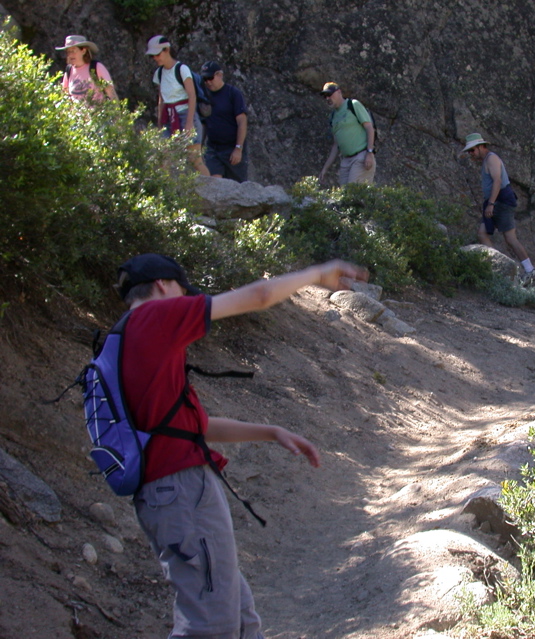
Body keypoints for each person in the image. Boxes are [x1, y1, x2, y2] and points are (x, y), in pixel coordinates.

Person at [115, 253, 366, 638]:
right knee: (211, 626)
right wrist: (315, 273)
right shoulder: (153, 319)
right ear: (164, 285)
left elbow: (191, 427)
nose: (186, 300)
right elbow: (260, 295)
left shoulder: (127, 341)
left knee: (239, 616)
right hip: (181, 493)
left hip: (166, 496)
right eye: (184, 292)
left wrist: (270, 431)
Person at [461, 133, 535, 280]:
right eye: (469, 151)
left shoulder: (492, 158)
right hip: (494, 200)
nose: (471, 154)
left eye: (472, 150)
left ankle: (529, 270)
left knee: (510, 238)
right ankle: (499, 268)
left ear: (480, 146)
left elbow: (497, 181)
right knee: (483, 233)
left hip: (501, 200)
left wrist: (491, 204)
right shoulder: (486, 160)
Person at [146, 35, 210, 176]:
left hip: (186, 114)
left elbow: (191, 96)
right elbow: (161, 98)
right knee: (164, 159)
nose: (155, 58)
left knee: (195, 160)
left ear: (166, 50)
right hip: (169, 117)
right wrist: (159, 124)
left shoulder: (182, 69)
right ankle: (167, 194)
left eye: (157, 54)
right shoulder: (159, 73)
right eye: (153, 56)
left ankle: (215, 192)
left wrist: (189, 124)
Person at [200, 61, 249, 182]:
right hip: (213, 148)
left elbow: (242, 122)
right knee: (215, 183)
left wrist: (238, 148)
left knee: (237, 187)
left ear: (219, 75)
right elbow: (204, 123)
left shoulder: (233, 94)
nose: (208, 82)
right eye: (205, 79)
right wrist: (200, 147)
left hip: (232, 147)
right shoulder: (204, 97)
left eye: (210, 78)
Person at [318, 82, 376, 185]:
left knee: (354, 196)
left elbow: (369, 128)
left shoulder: (353, 105)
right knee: (345, 197)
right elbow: (336, 145)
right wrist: (325, 169)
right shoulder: (333, 117)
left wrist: (369, 153)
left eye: (329, 94)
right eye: (325, 96)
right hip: (346, 161)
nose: (327, 98)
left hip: (361, 157)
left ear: (339, 92)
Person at [56, 35, 117, 102]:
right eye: (68, 52)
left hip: (97, 112)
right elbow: (65, 96)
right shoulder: (69, 71)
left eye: (73, 51)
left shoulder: (96, 67)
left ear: (83, 51)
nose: (70, 55)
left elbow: (111, 94)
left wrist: (117, 111)